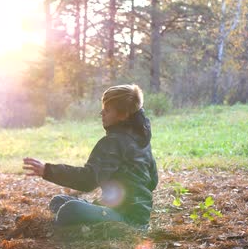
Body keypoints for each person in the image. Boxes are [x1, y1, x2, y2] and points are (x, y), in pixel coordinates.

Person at [23, 84, 158, 229]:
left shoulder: (112, 142)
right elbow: (153, 181)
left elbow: (88, 180)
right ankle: (88, 222)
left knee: (70, 209)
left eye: (107, 110)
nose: (102, 113)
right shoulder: (142, 142)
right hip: (140, 217)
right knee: (58, 201)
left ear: (123, 115)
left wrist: (47, 170)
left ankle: (68, 229)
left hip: (125, 218)